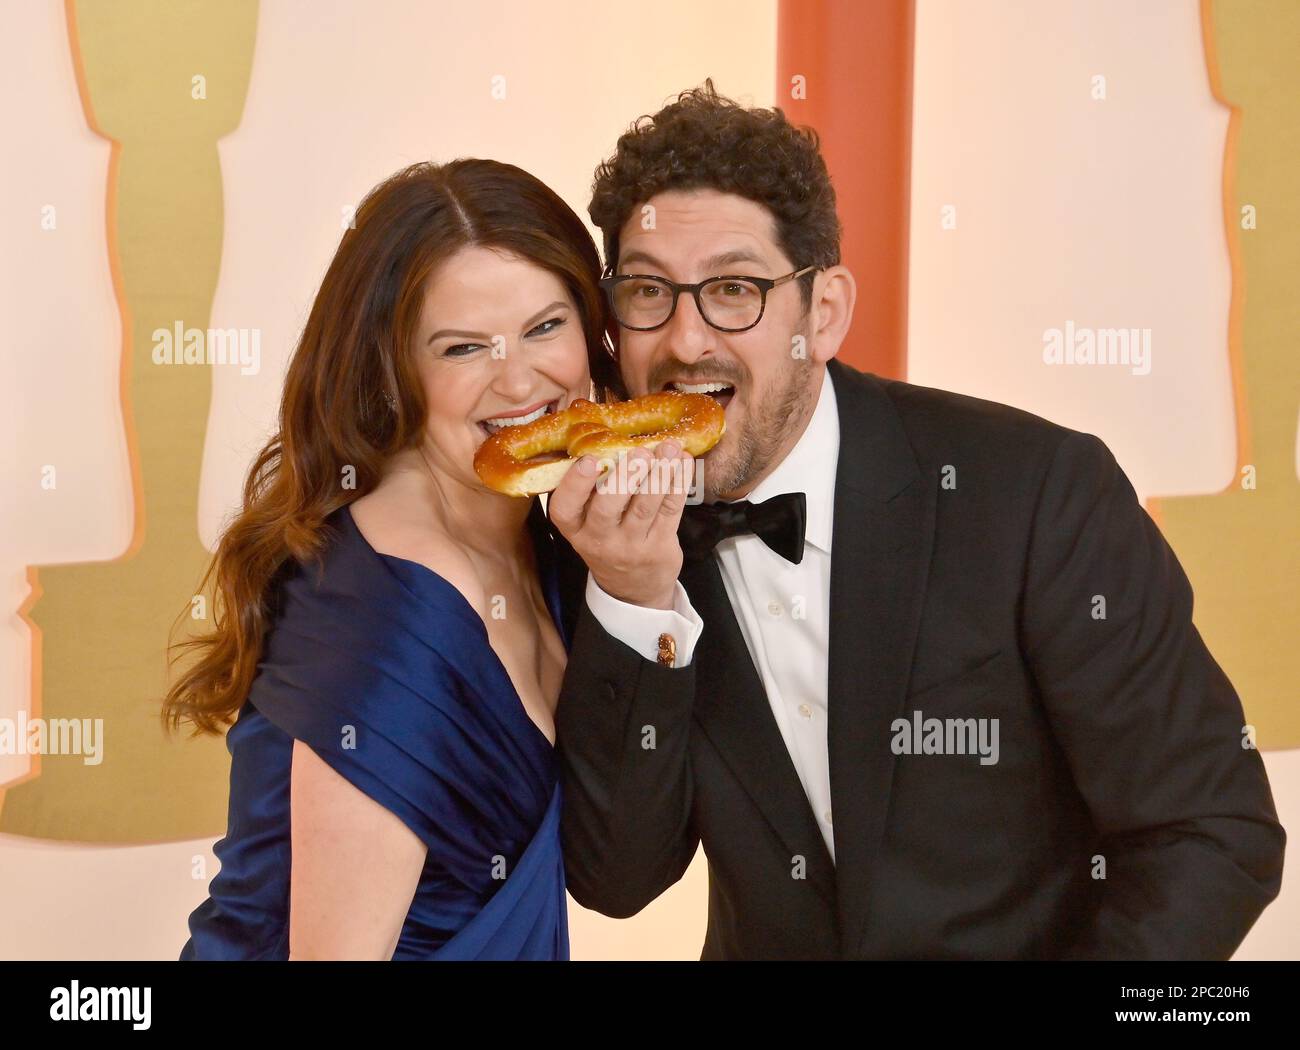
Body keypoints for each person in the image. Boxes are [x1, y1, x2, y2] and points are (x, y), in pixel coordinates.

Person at [546, 82, 1287, 959]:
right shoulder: (603, 535)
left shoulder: (1037, 489)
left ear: (823, 314)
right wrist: (636, 598)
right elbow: (619, 882)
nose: (685, 340)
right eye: (646, 293)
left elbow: (1211, 831)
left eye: (736, 289)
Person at [164, 158, 695, 960]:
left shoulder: (542, 537)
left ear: (595, 333)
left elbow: (612, 856)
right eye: (461, 348)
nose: (519, 379)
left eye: (546, 327)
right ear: (393, 369)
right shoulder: (398, 610)